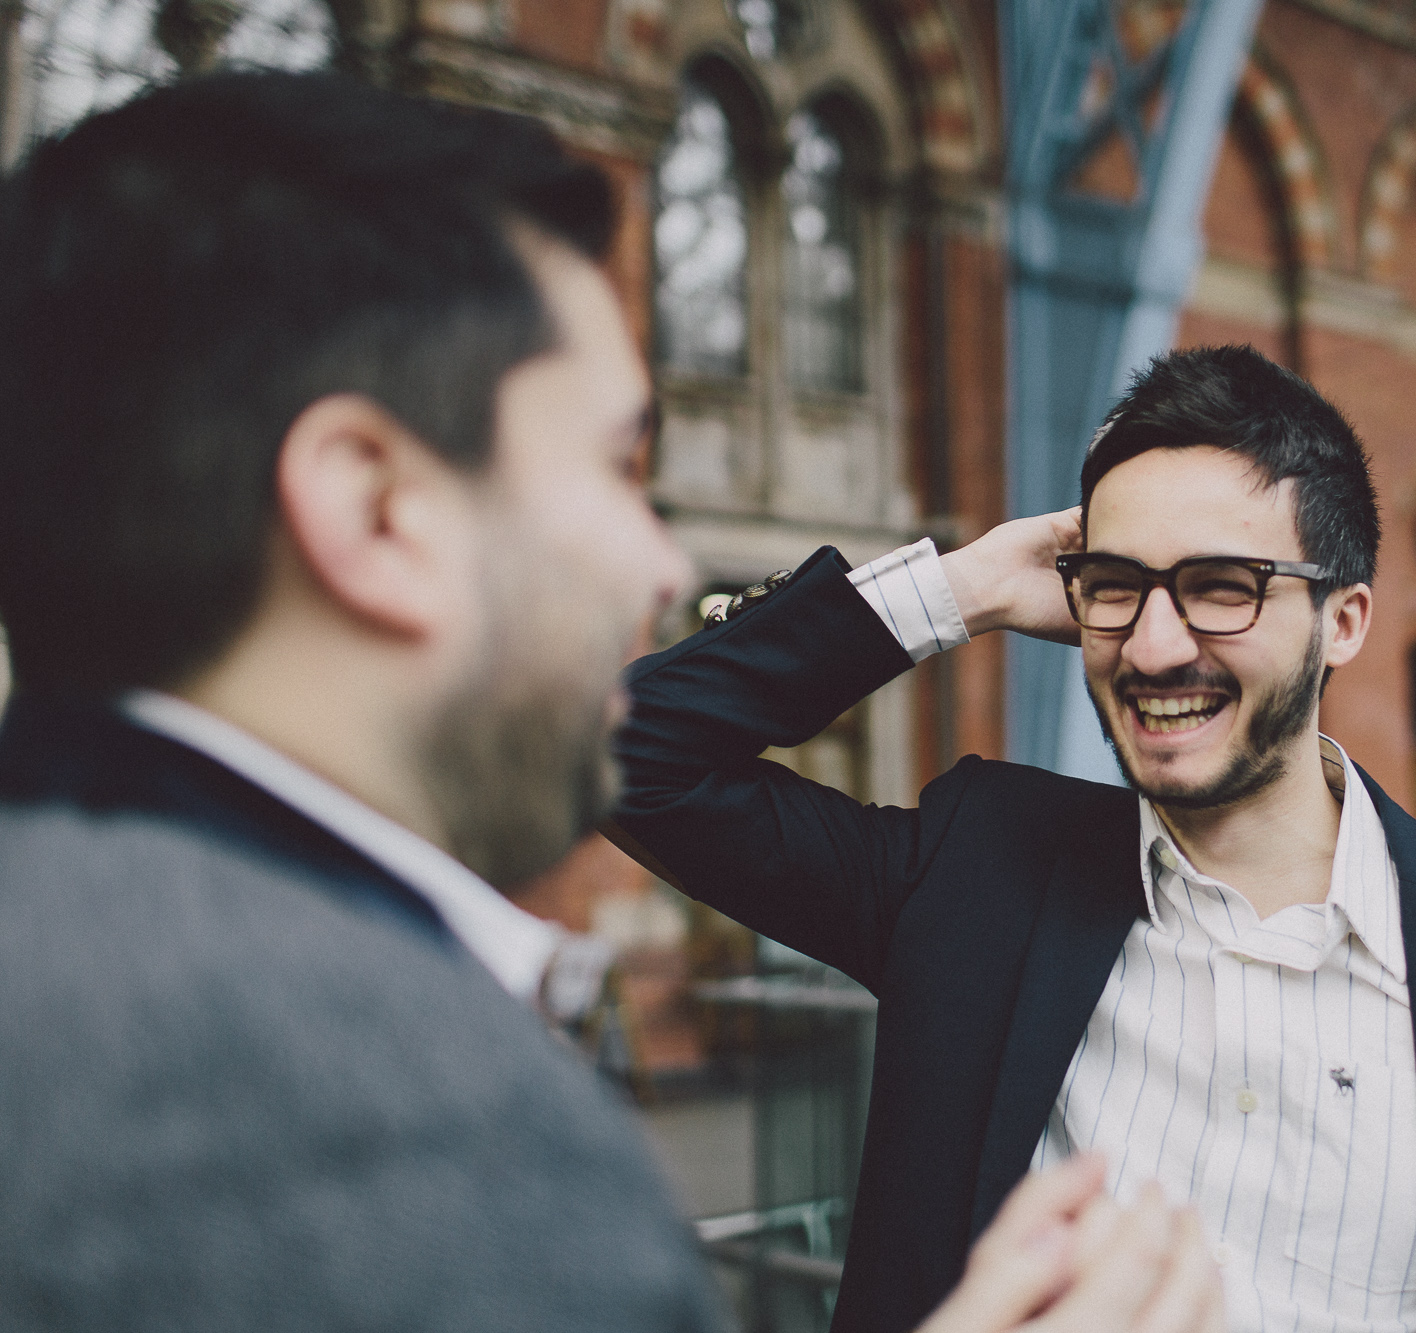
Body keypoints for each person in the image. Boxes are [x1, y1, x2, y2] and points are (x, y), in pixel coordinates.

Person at [0, 71, 1225, 1333]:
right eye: (613, 467)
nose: (657, 564)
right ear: (372, 508)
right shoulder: (430, 1151)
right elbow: (656, 750)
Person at [610, 344, 1416, 1332]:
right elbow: (627, 754)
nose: (1151, 648)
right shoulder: (974, 875)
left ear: (1341, 619)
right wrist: (967, 586)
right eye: (1115, 586)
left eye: (1219, 588)